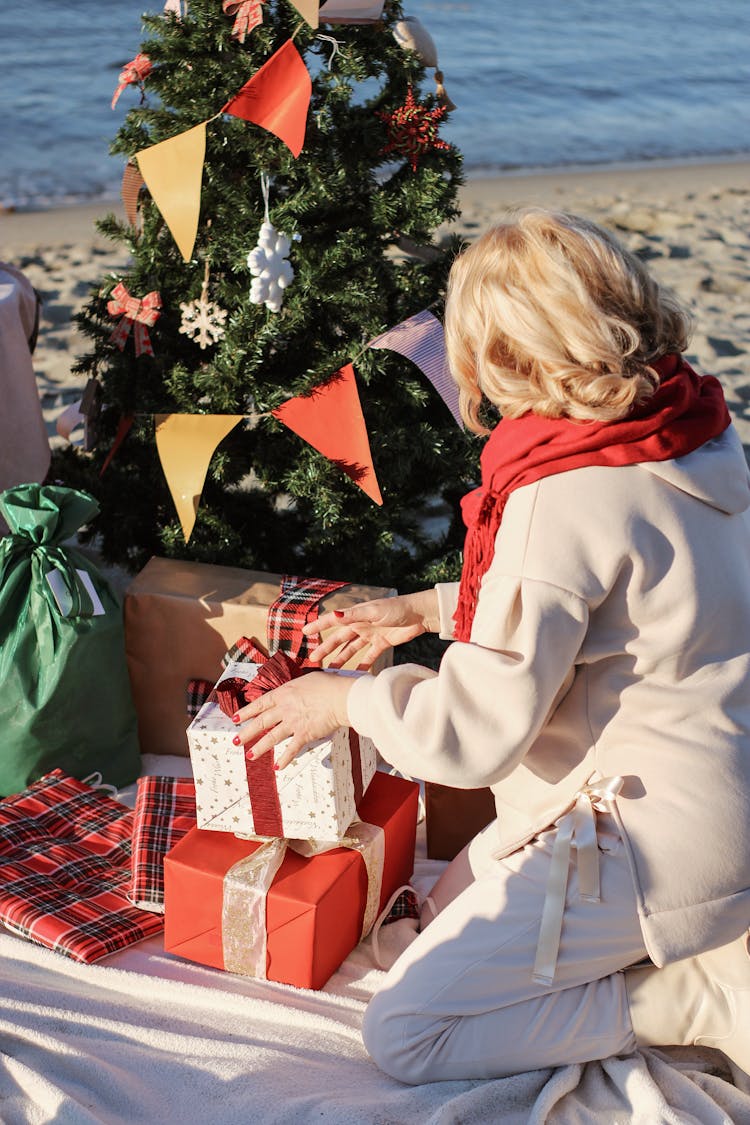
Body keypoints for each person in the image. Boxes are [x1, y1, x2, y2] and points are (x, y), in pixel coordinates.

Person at [234, 209, 750, 1085]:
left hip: (648, 838)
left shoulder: (562, 493)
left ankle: (683, 1000)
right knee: (434, 916)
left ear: (504, 361)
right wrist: (433, 608)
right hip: (717, 791)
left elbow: (474, 738)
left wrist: (345, 699)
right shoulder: (692, 430)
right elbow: (623, 597)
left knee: (406, 1028)